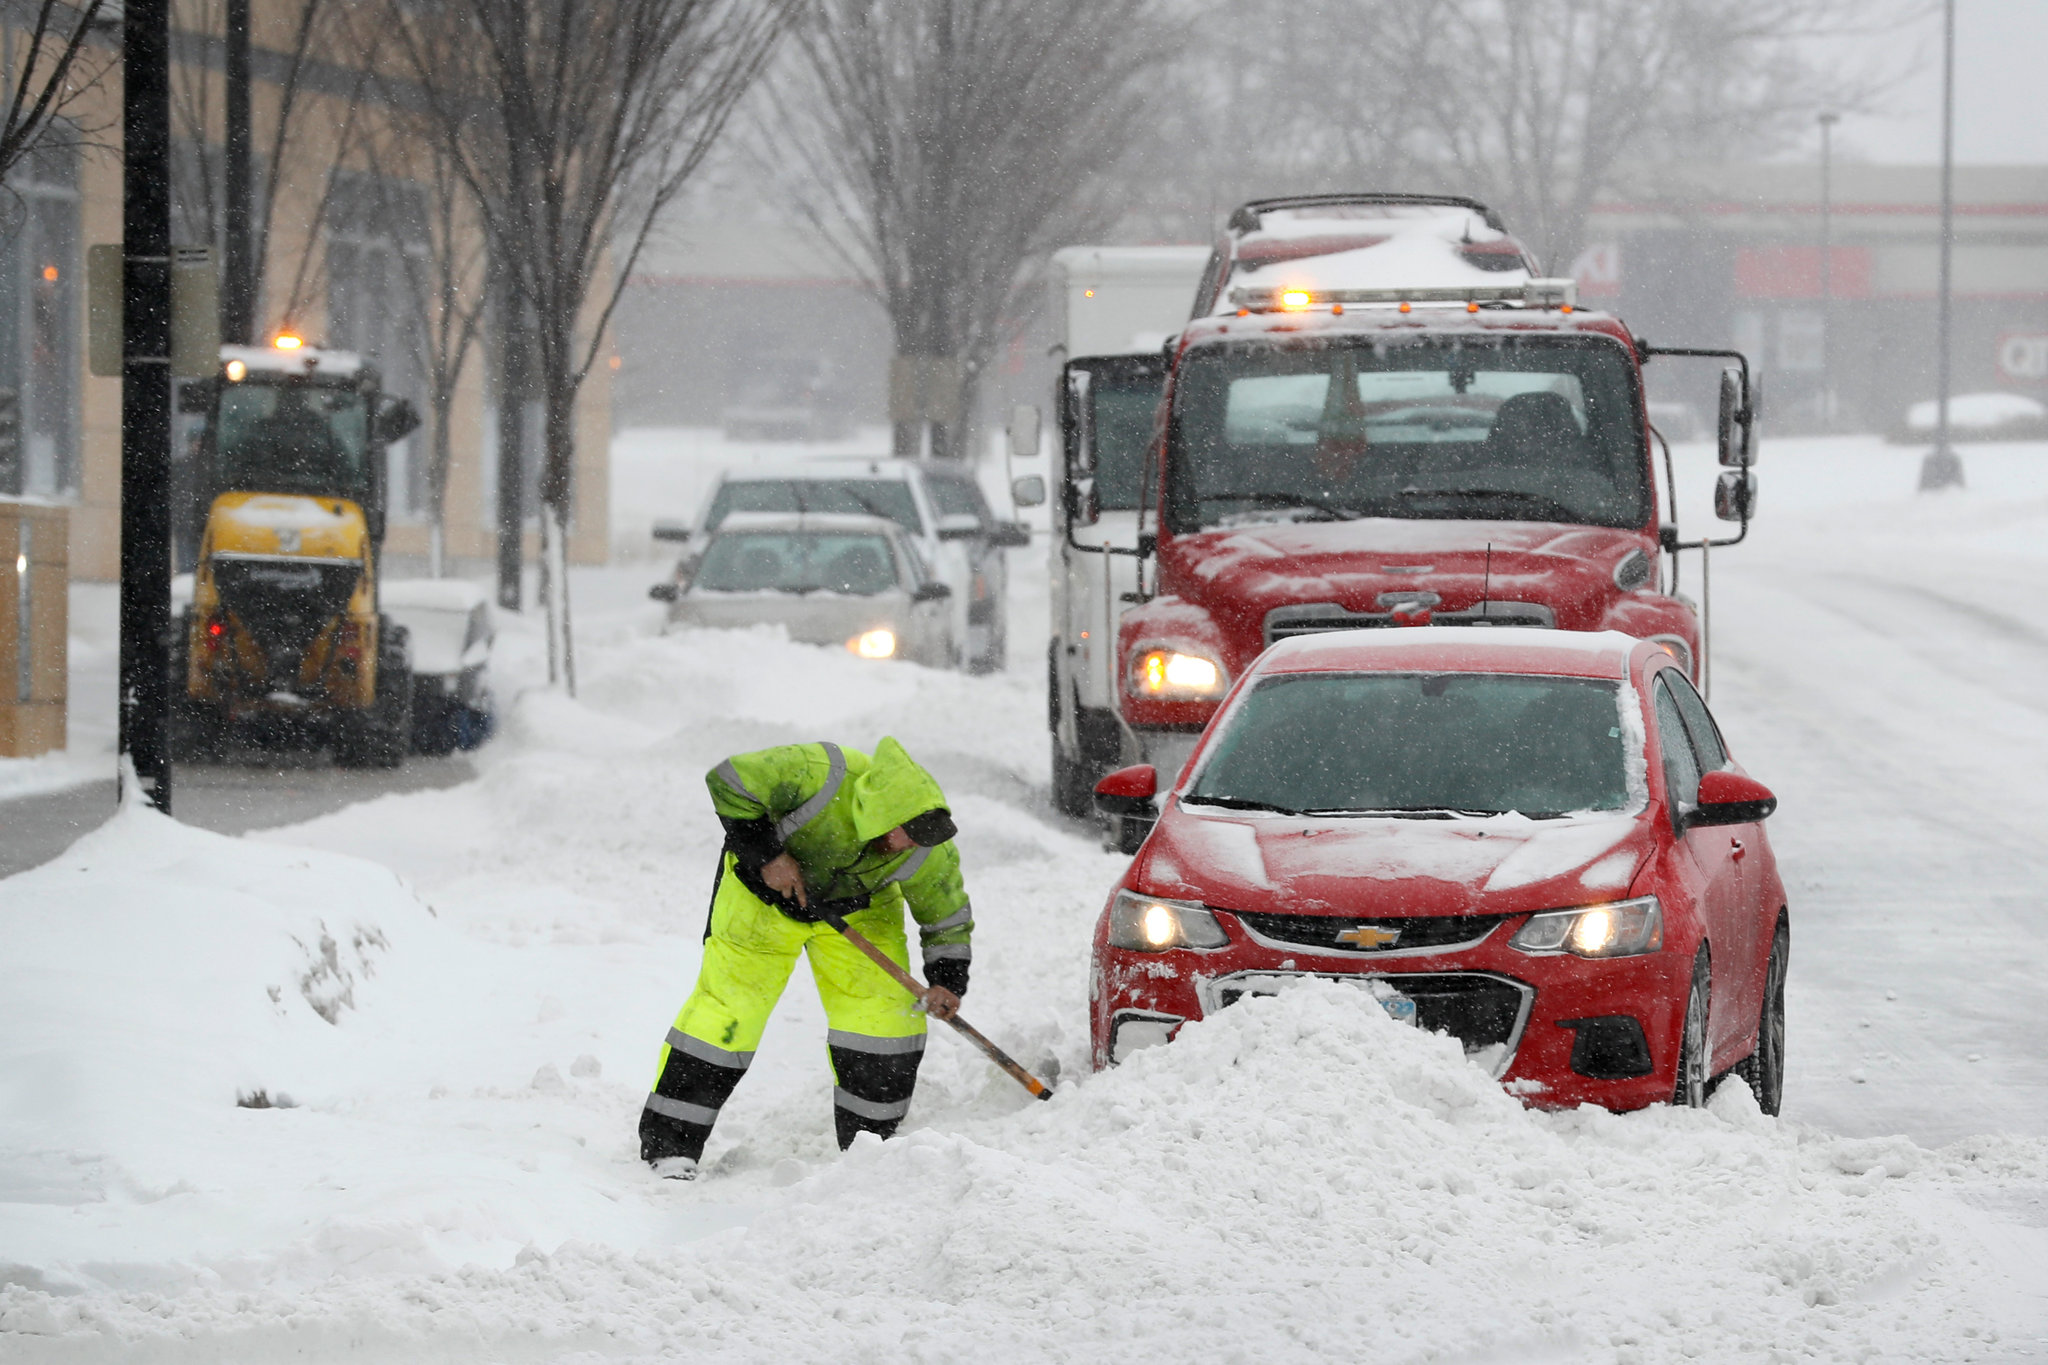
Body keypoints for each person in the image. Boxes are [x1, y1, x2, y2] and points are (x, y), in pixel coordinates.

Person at [640, 737, 974, 1179]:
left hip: (859, 906)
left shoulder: (925, 847)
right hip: (762, 895)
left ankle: (873, 1150)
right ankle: (671, 1148)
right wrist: (769, 855)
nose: (908, 845)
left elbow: (946, 914)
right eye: (904, 834)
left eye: (919, 839)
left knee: (884, 1019)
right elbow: (728, 779)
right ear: (880, 813)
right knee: (727, 1014)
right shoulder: (820, 773)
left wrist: (948, 978)